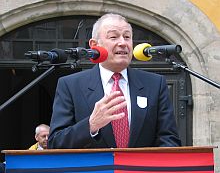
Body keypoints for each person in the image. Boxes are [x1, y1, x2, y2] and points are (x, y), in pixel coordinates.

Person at [48, 13, 181, 149]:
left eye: (127, 37)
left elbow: (169, 140)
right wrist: (91, 125)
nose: (123, 43)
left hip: (141, 169)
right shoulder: (71, 85)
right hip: (95, 169)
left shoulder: (154, 84)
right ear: (94, 44)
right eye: (113, 37)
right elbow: (56, 143)